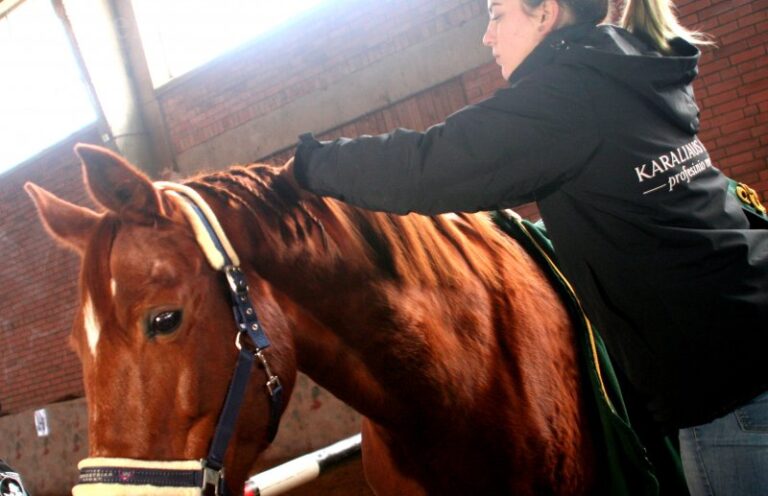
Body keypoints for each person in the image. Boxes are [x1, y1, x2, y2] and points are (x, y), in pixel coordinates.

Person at [285, 0, 768, 493]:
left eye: (497, 15)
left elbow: (432, 164)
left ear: (546, 13)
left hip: (732, 396)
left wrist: (309, 165)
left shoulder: (569, 94)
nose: (487, 37)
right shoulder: (627, 65)